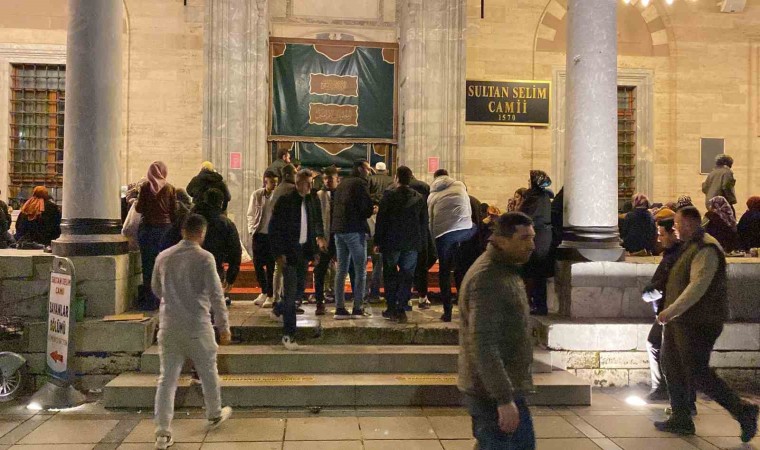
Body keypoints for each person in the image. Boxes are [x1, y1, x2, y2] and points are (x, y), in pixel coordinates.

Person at [655, 206, 759, 441]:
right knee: (672, 364)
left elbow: (698, 286)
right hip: (681, 320)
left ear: (689, 224)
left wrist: (670, 311)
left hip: (699, 321)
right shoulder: (690, 245)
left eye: (678, 224)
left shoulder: (706, 248)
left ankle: (743, 411)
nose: (675, 228)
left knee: (697, 371)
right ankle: (681, 417)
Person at [151, 214, 233, 450]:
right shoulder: (205, 258)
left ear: (183, 231)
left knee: (167, 379)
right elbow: (216, 296)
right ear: (202, 233)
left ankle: (162, 432)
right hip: (198, 325)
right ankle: (214, 413)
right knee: (208, 372)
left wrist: (174, 298)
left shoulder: (163, 256)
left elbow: (156, 289)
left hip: (169, 325)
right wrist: (223, 326)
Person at [458, 212, 537, 449]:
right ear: (501, 240)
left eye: (532, 237)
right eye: (524, 238)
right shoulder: (488, 278)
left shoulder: (505, 270)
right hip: (493, 392)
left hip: (503, 385)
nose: (532, 245)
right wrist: (503, 399)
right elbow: (483, 342)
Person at [268, 170, 327, 348]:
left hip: (304, 251)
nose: (310, 186)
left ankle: (279, 308)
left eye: (311, 183)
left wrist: (316, 249)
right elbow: (274, 228)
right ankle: (289, 334)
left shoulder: (312, 200)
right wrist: (278, 253)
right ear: (298, 183)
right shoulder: (286, 201)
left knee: (299, 290)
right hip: (289, 252)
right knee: (291, 293)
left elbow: (316, 223)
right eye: (307, 183)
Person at [641, 208, 687, 403]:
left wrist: (648, 293)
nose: (659, 239)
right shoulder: (674, 254)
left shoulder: (675, 257)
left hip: (670, 312)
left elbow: (666, 284)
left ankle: (670, 393)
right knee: (657, 344)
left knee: (669, 353)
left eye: (662, 234)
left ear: (673, 233)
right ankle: (666, 391)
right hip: (667, 310)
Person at [374, 166, 428, 323]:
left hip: (392, 242)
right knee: (407, 276)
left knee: (390, 274)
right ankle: (402, 307)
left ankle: (391, 308)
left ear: (396, 178)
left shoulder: (389, 196)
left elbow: (381, 220)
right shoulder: (419, 198)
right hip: (412, 243)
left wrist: (378, 241)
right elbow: (424, 223)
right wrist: (422, 243)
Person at [428, 169, 476, 322]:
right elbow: (468, 209)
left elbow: (430, 221)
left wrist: (434, 243)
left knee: (444, 272)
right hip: (464, 231)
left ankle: (447, 312)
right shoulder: (460, 186)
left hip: (443, 235)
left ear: (435, 178)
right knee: (462, 267)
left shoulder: (432, 195)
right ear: (448, 176)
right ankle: (466, 307)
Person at [331, 160, 374, 319]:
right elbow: (366, 208)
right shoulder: (360, 183)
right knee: (360, 269)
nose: (369, 172)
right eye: (368, 169)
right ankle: (357, 308)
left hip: (339, 230)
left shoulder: (342, 184)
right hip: (354, 230)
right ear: (360, 169)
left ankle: (339, 308)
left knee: (341, 270)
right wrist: (372, 209)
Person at [136, 161, 177, 310]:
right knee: (164, 266)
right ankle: (164, 300)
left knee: (148, 266)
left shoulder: (145, 187)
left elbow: (139, 208)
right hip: (165, 231)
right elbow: (174, 212)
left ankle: (150, 301)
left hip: (147, 231)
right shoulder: (170, 188)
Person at [194, 189, 242, 306]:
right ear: (221, 203)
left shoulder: (192, 219)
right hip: (215, 266)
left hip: (192, 265)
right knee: (213, 303)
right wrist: (231, 275)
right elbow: (235, 250)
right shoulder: (225, 222)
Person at [518, 170, 554, 316]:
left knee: (535, 272)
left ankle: (538, 305)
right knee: (538, 273)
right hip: (543, 237)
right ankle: (538, 304)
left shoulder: (533, 197)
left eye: (530, 180)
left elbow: (522, 216)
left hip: (536, 237)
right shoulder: (544, 197)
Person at [247, 171, 279, 307]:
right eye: (272, 182)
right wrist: (251, 229)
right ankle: (264, 291)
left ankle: (270, 294)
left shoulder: (277, 196)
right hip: (259, 234)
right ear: (266, 181)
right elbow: (250, 213)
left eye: (276, 182)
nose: (274, 185)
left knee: (271, 266)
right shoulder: (257, 195)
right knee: (258, 264)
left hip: (272, 235)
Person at [268, 164, 298, 308]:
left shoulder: (277, 189)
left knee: (278, 268)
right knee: (289, 269)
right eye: (295, 173)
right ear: (288, 174)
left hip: (276, 233)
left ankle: (276, 297)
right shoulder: (291, 189)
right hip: (288, 234)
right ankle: (287, 300)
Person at [313, 166, 340, 315]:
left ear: (337, 179)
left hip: (340, 237)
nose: (327, 182)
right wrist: (319, 237)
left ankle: (340, 302)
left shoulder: (341, 194)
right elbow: (317, 218)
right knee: (320, 270)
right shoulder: (319, 195)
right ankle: (319, 302)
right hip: (325, 237)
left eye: (330, 179)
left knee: (342, 269)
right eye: (325, 179)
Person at [409, 171, 434, 309]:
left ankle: (405, 299)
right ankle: (422, 297)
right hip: (422, 230)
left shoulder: (394, 190)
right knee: (423, 263)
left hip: (406, 233)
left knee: (406, 265)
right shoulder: (424, 186)